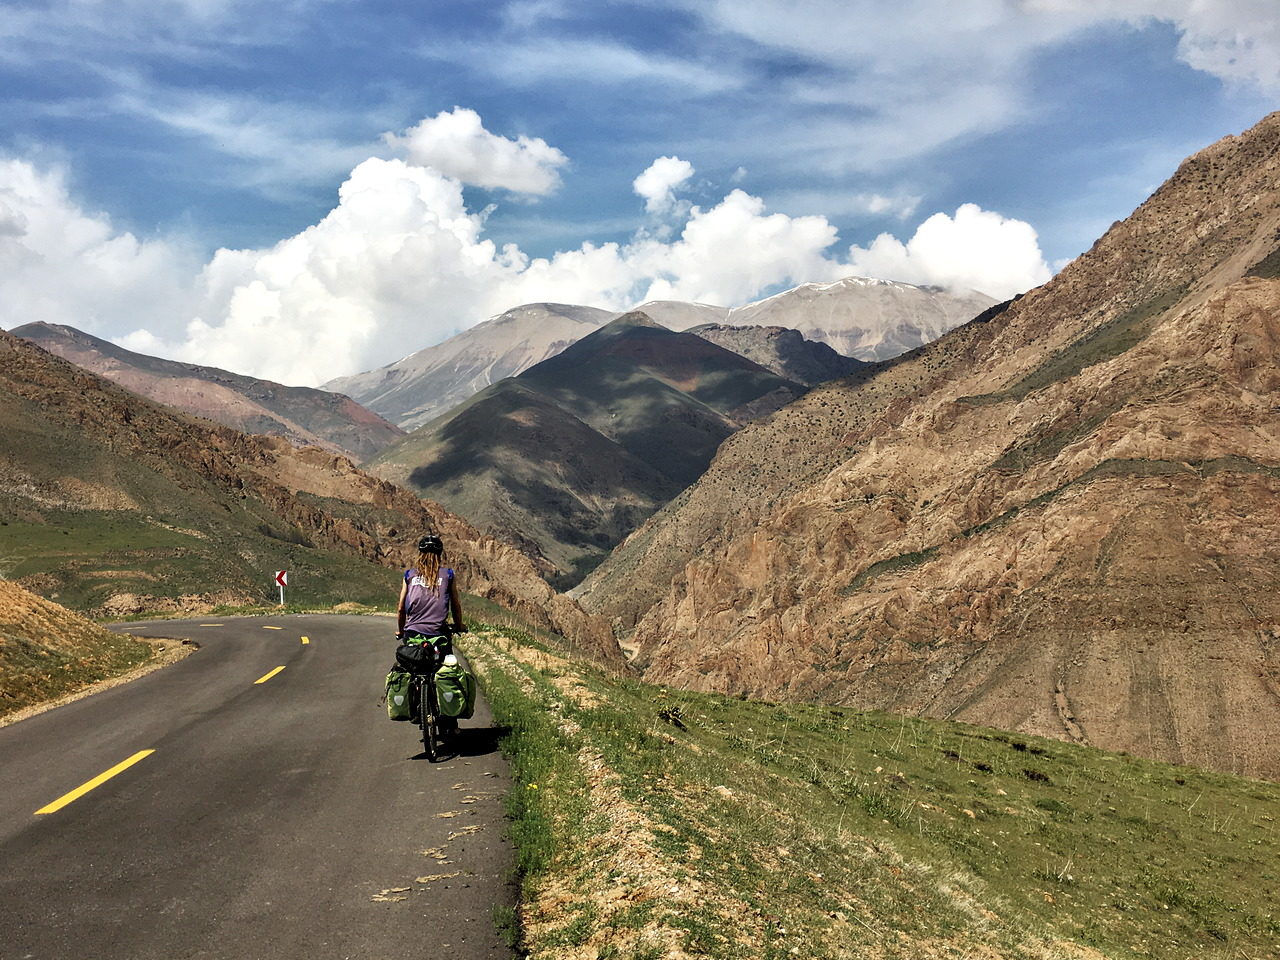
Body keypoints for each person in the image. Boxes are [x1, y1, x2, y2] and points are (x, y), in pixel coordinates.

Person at [396, 533, 466, 644]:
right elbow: (455, 605)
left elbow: (401, 608)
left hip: (412, 634)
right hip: (438, 634)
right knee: (448, 659)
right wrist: (459, 625)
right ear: (439, 555)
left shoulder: (409, 575)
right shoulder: (448, 575)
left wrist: (401, 631)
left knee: (407, 659)